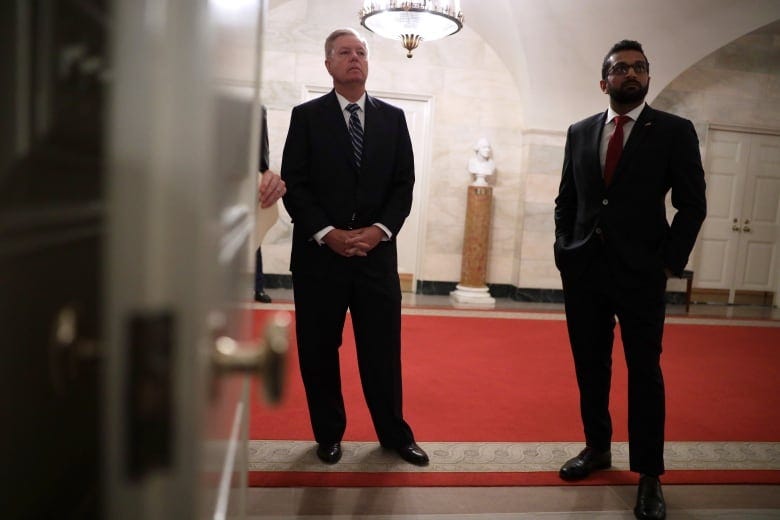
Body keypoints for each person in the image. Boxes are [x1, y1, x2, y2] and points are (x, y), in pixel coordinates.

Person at [553, 40, 706, 520]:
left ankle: (649, 474)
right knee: (590, 367)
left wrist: (667, 263)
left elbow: (692, 203)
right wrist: (565, 250)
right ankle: (597, 448)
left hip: (642, 273)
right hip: (585, 271)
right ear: (605, 82)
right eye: (621, 68)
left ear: (647, 78)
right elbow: (567, 200)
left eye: (640, 67)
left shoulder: (674, 131)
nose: (631, 74)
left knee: (645, 372)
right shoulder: (580, 132)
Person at [280, 28, 428, 466]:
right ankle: (328, 434)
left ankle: (394, 435)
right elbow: (296, 184)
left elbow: (404, 185)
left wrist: (378, 230)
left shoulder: (394, 119)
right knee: (319, 350)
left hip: (376, 259)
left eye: (361, 52)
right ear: (328, 64)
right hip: (319, 259)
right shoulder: (306, 117)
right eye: (344, 52)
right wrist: (329, 233)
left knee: (382, 351)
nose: (354, 58)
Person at [255, 105, 286, 303]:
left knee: (256, 234)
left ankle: (257, 287)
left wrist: (264, 170)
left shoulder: (258, 110)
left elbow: (261, 147)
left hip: (255, 177)